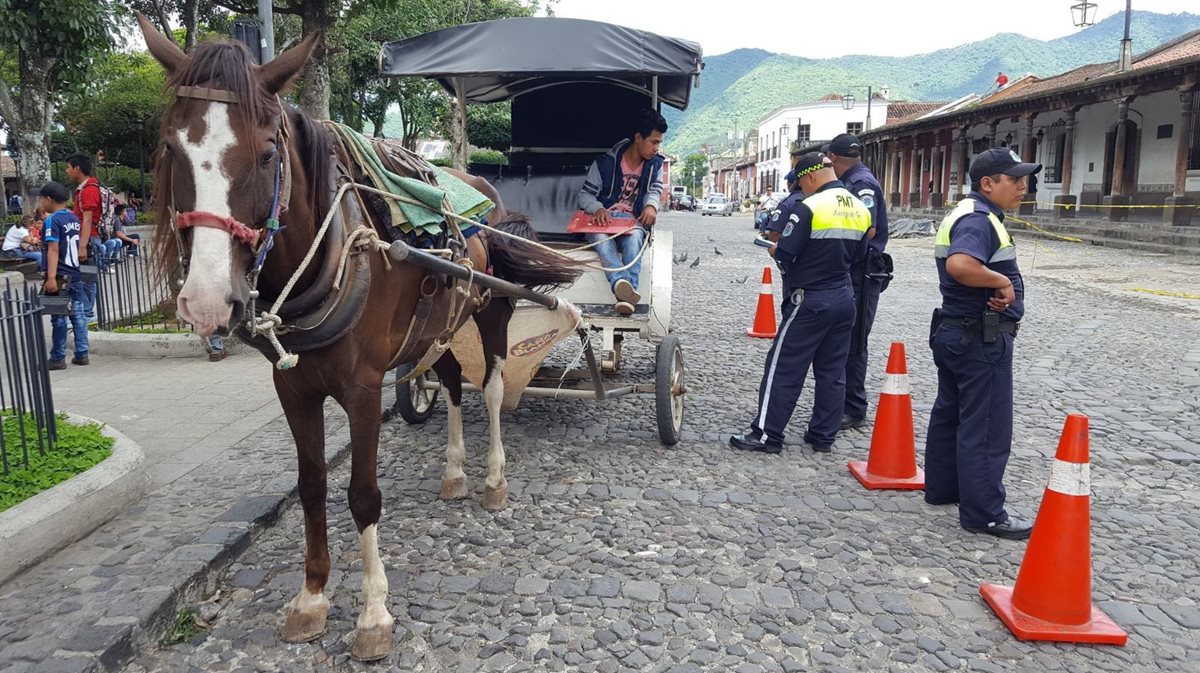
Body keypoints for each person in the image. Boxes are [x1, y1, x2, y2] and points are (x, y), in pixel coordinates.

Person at [925, 148, 1040, 540]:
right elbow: (961, 264)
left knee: (951, 413)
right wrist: (1002, 282)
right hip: (979, 335)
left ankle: (943, 489)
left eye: (1025, 178)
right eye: (1015, 179)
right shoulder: (978, 219)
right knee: (986, 426)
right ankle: (985, 514)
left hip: (956, 331)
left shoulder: (966, 213)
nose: (1024, 186)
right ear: (987, 184)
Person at [730, 153, 872, 454]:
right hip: (845, 297)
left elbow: (785, 253)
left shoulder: (809, 208)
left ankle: (767, 435)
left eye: (801, 183)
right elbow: (860, 255)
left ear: (809, 177)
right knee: (833, 371)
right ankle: (822, 436)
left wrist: (775, 250)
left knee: (783, 367)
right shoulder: (860, 208)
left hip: (810, 299)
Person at [824, 133, 890, 430]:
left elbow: (869, 229)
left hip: (863, 272)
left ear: (835, 159)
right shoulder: (853, 180)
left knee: (854, 340)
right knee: (845, 339)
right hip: (853, 270)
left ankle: (854, 407)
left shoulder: (861, 184)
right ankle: (844, 402)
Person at [577, 109, 667, 315]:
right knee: (601, 240)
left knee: (635, 238)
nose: (657, 148)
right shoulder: (604, 163)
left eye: (659, 143)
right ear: (638, 138)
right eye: (654, 142)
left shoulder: (656, 165)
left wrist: (651, 206)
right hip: (601, 219)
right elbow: (585, 196)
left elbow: (655, 189)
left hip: (630, 221)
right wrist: (598, 208)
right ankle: (624, 287)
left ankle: (627, 291)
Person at [35, 182, 89, 369]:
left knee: (58, 315)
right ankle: (82, 353)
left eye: (42, 198)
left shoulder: (52, 220)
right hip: (75, 272)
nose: (41, 202)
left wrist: (50, 278)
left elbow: (53, 248)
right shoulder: (73, 217)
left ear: (48, 199)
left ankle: (57, 356)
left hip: (60, 274)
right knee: (78, 313)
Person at [65, 153, 101, 324]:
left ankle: (87, 314)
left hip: (87, 239)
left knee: (84, 279)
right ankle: (87, 313)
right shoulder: (84, 189)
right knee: (84, 278)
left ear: (77, 168)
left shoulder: (89, 190)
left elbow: (87, 219)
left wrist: (82, 246)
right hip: (86, 238)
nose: (67, 171)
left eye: (68, 167)